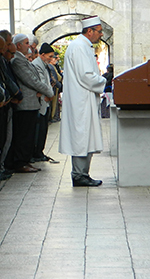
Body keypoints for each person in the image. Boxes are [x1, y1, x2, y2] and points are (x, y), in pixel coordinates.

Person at [59, 16, 107, 187]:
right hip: (81, 100)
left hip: (84, 99)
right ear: (89, 31)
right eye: (99, 31)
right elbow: (86, 76)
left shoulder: (83, 46)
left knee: (85, 136)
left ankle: (83, 173)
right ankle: (79, 175)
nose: (101, 35)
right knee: (81, 137)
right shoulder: (79, 47)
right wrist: (104, 81)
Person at [6, 33, 53, 174]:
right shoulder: (17, 60)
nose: (30, 46)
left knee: (29, 133)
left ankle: (25, 160)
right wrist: (48, 92)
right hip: (25, 104)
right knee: (24, 134)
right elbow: (31, 80)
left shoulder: (23, 59)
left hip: (32, 102)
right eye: (26, 43)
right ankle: (21, 162)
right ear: (18, 45)